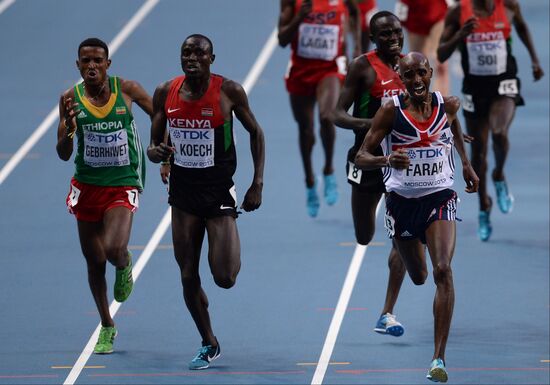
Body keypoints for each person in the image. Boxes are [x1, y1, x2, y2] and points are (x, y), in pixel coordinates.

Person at [355, 52, 479, 382]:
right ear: (401, 78)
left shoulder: (448, 104)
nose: (417, 81)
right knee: (420, 275)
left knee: (443, 271)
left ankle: (438, 359)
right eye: (409, 76)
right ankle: (403, 250)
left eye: (421, 73)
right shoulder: (390, 112)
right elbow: (361, 155)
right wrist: (385, 162)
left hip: (439, 197)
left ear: (430, 73)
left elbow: (453, 127)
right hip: (402, 203)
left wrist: (465, 164)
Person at [147, 34, 265, 370]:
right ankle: (208, 341)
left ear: (212, 58)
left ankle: (220, 258)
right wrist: (157, 153)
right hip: (183, 194)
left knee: (225, 277)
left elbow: (255, 132)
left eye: (200, 52)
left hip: (217, 191)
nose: (192, 57)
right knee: (187, 275)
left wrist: (257, 183)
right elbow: (155, 143)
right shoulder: (164, 92)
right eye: (186, 52)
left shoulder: (229, 91)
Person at [56, 38, 153, 354]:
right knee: (94, 261)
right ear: (78, 65)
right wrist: (69, 130)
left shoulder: (127, 90)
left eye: (98, 60)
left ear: (108, 64)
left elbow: (161, 116)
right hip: (87, 185)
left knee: (113, 249)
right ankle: (107, 325)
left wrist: (164, 155)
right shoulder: (70, 99)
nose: (92, 66)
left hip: (123, 181)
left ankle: (124, 264)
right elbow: (62, 152)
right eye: (86, 61)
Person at [437, 0, 544, 241]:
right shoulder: (458, 12)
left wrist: (535, 59)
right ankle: (484, 206)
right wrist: (460, 36)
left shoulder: (508, 6)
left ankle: (498, 175)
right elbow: (440, 53)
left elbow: (523, 28)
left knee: (499, 132)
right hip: (474, 89)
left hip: (504, 83)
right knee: (478, 156)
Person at [332, 11, 407, 337]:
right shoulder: (363, 66)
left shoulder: (411, 66)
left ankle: (387, 312)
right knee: (363, 235)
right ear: (374, 38)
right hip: (365, 158)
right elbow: (335, 113)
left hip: (403, 162)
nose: (392, 38)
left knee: (404, 237)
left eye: (396, 32)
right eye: (385, 34)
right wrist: (374, 126)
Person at [278, 0, 361, 217]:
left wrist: (357, 48)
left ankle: (328, 170)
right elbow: (282, 39)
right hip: (301, 70)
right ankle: (309, 181)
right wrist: (299, 17)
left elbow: (355, 12)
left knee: (327, 117)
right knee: (305, 129)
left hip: (330, 68)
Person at [395, 0, 452, 95]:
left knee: (440, 65)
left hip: (438, 8)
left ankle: (440, 106)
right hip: (414, 12)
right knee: (417, 66)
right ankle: (420, 104)